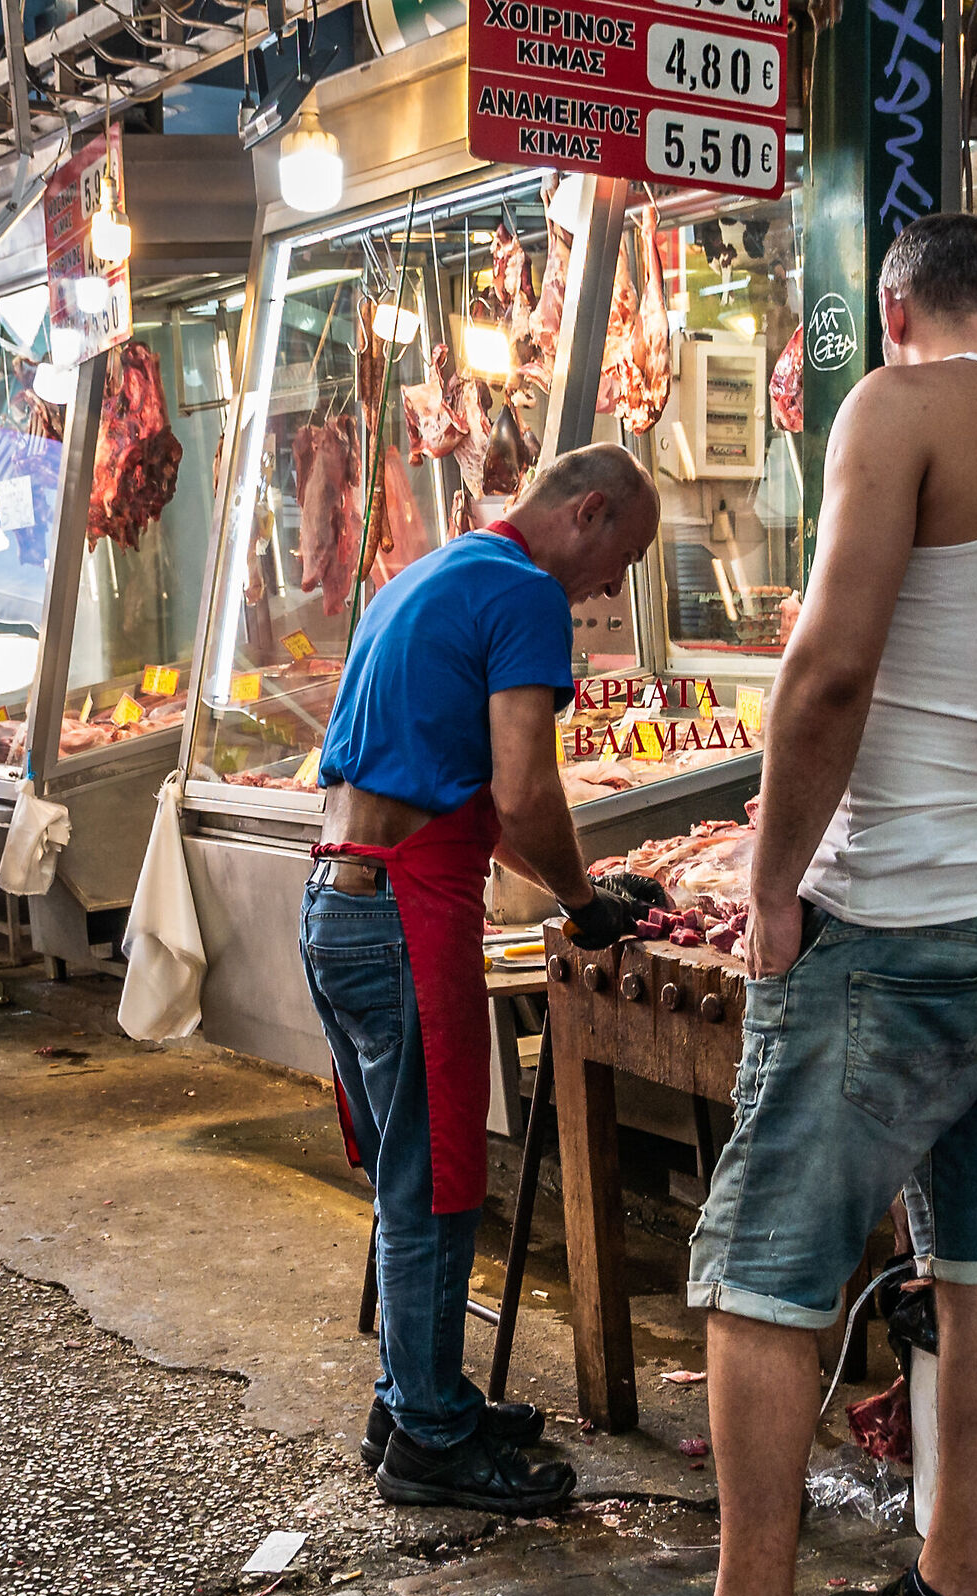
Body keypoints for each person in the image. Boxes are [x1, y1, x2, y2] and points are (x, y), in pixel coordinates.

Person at [572, 215, 977, 1596]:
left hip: (891, 931)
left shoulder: (898, 406)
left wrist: (772, 885)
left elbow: (824, 673)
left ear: (898, 309)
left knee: (761, 1272)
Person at [303, 443, 660, 1515]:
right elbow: (526, 788)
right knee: (439, 1177)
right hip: (404, 910)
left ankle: (416, 1392)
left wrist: (572, 883)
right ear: (587, 513)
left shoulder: (429, 571)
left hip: (337, 896)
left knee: (410, 1171)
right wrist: (586, 905)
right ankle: (429, 1438)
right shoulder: (522, 593)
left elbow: (471, 798)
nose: (611, 588)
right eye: (619, 559)